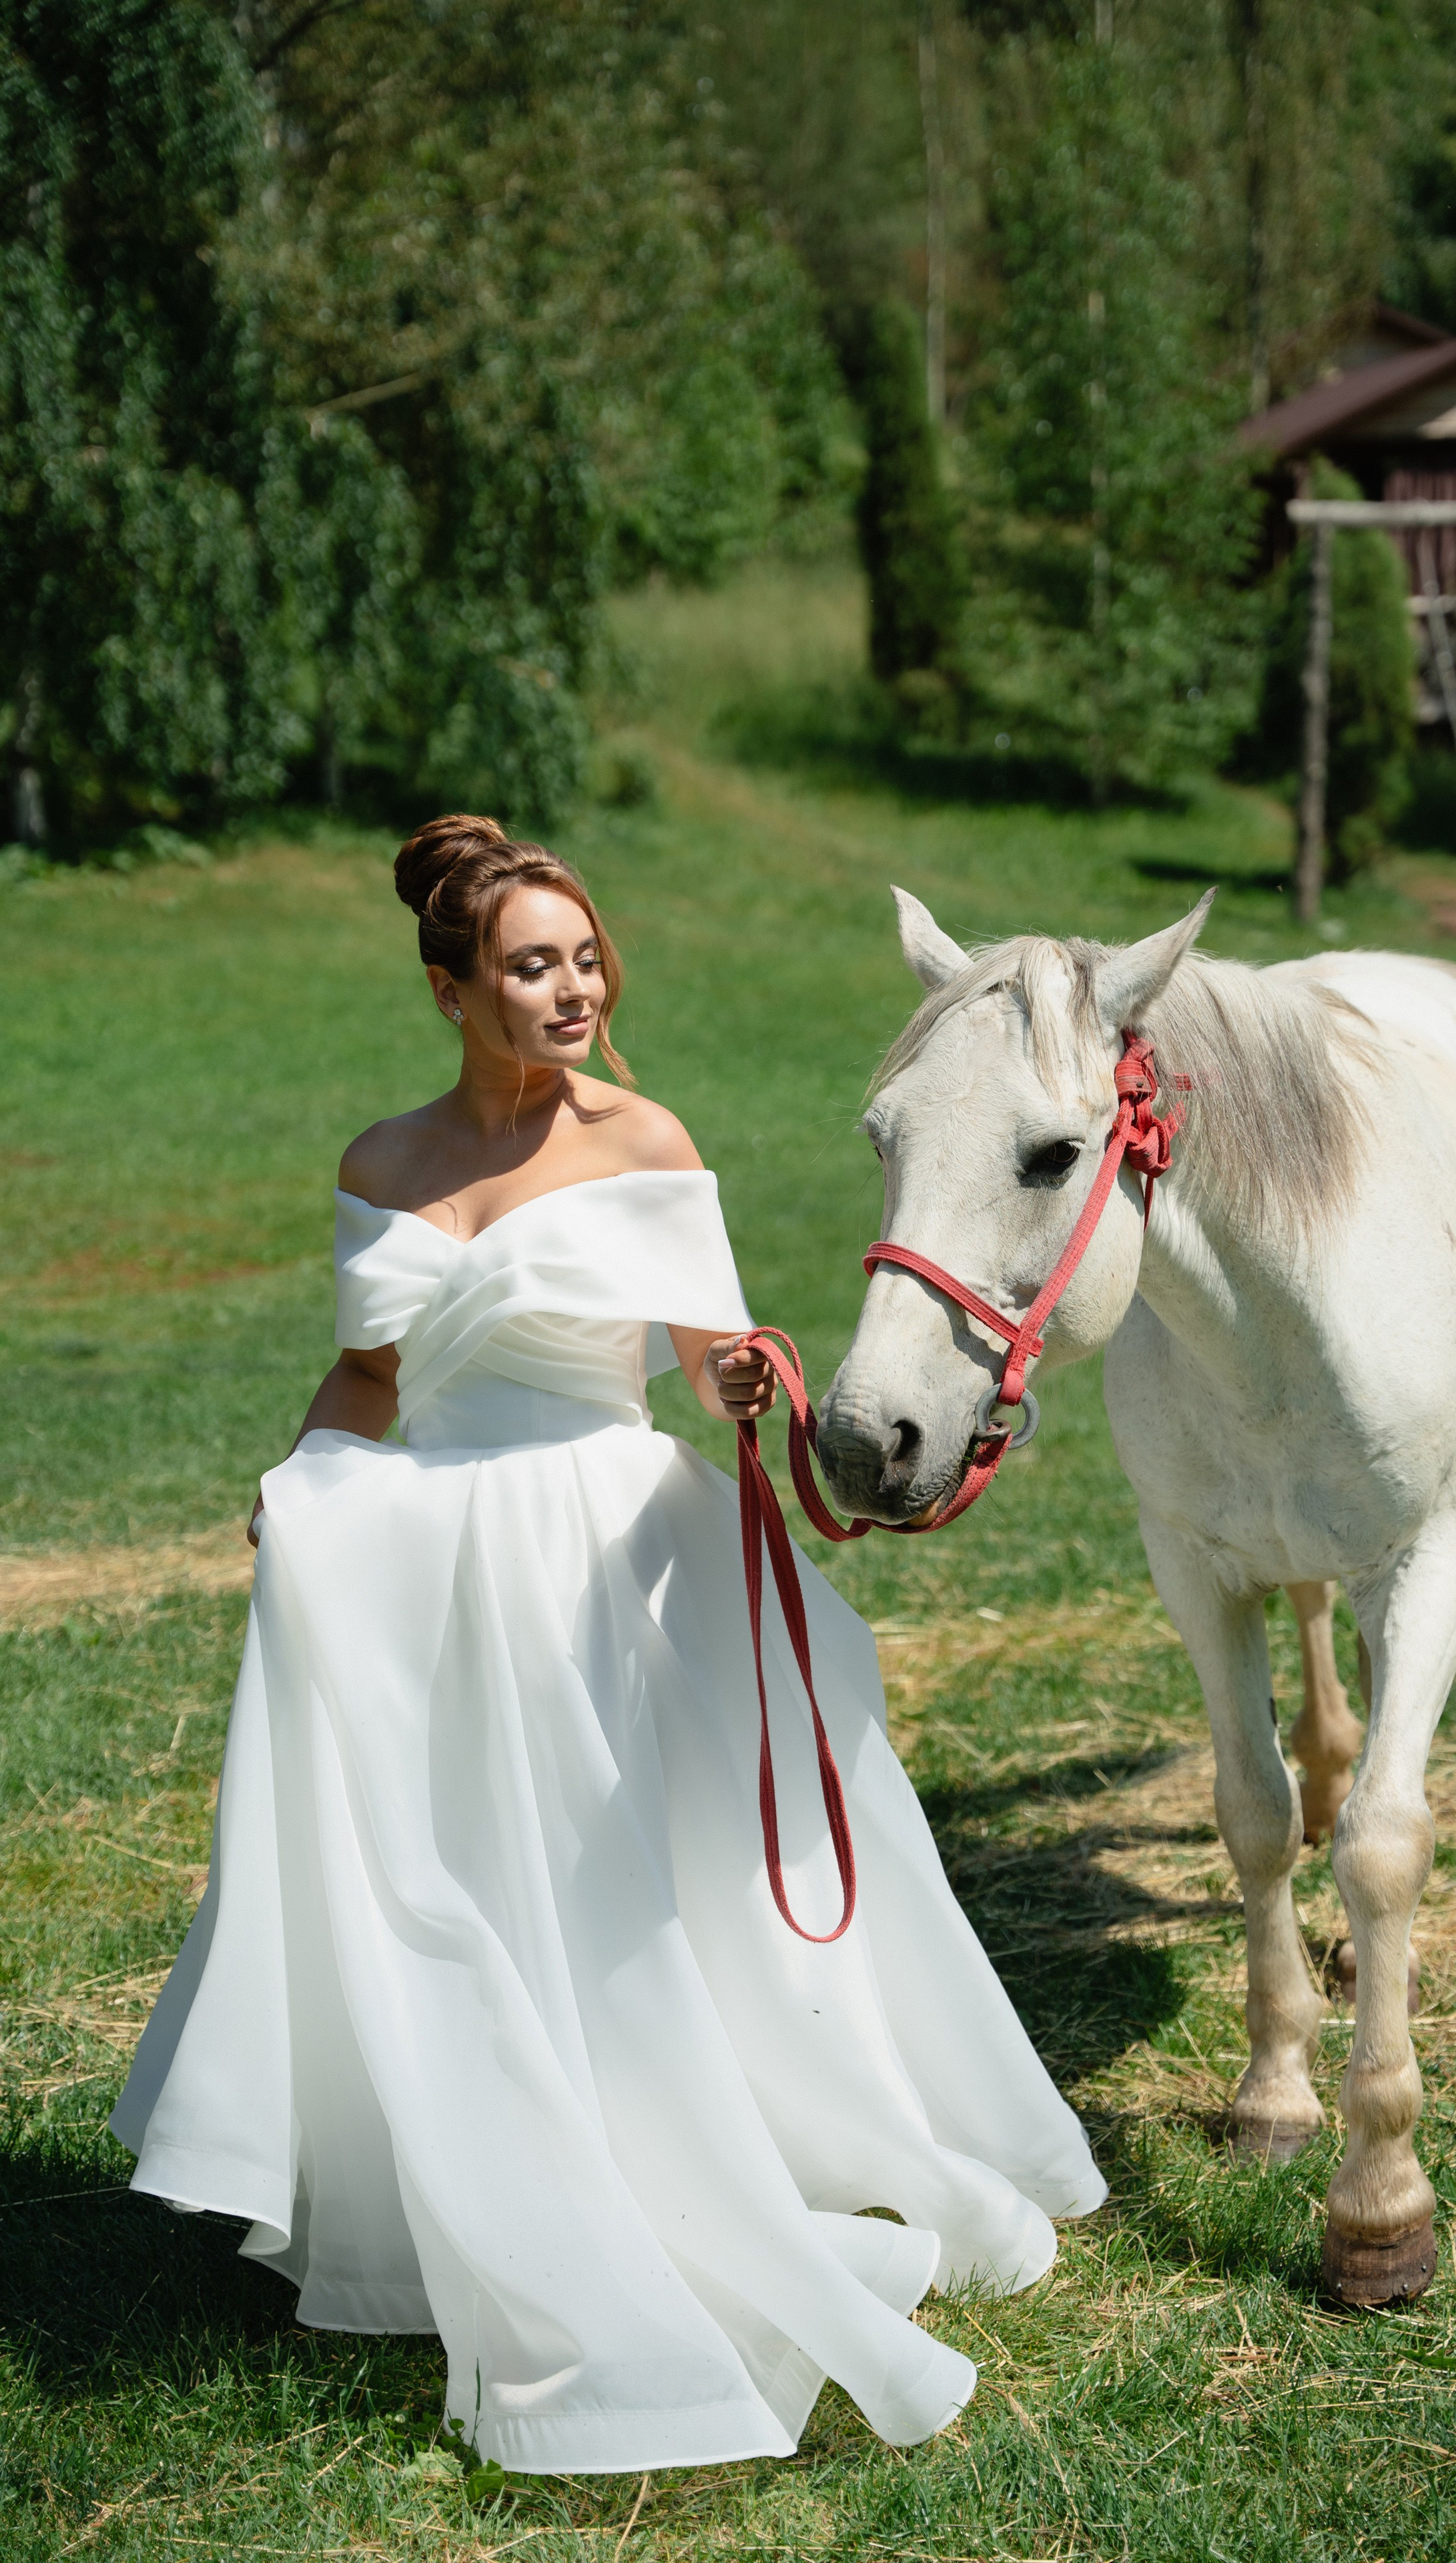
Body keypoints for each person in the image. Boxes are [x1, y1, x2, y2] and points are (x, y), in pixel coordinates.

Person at [112, 814, 1105, 2478]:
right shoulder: (381, 1165)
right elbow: (368, 1381)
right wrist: (299, 1492)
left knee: (622, 1875)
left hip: (600, 1541)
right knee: (449, 1879)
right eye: (529, 966)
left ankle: (677, 2152)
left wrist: (737, 1384)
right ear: (453, 990)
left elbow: (715, 1348)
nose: (571, 987)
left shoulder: (646, 1138)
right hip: (430, 1545)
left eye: (583, 957)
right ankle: (468, 2182)